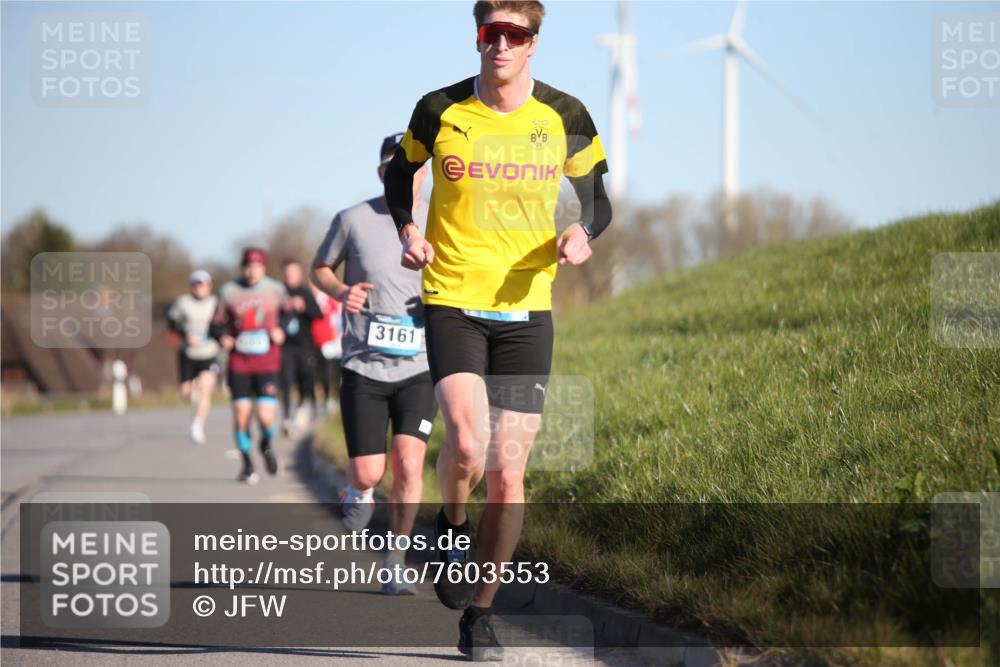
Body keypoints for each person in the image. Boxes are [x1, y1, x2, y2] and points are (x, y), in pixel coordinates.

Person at [383, 0, 612, 658]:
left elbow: (599, 199)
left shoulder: (565, 116)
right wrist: (408, 226)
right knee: (465, 444)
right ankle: (451, 521)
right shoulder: (440, 109)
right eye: (492, 33)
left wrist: (581, 232)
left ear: (534, 43)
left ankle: (480, 612)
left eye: (516, 35)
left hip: (527, 307)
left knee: (509, 472)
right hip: (452, 295)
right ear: (478, 36)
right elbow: (403, 172)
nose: (502, 45)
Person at [312, 132, 437, 595]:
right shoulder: (353, 219)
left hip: (420, 365)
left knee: (409, 464)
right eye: (394, 167)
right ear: (382, 172)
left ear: (425, 172)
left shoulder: (443, 220)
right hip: (364, 363)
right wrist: (341, 291)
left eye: (413, 167)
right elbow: (319, 268)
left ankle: (396, 559)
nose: (404, 174)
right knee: (369, 471)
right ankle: (359, 490)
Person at [214, 248, 289, 484]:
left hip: (268, 361)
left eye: (256, 266)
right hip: (240, 362)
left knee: (266, 417)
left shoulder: (275, 289)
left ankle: (266, 442)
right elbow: (215, 323)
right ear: (242, 267)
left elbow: (289, 315)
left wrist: (282, 329)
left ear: (263, 268)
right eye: (248, 266)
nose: (252, 270)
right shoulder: (228, 291)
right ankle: (247, 462)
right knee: (241, 414)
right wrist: (221, 337)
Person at [166, 269, 220, 445]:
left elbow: (222, 324)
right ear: (191, 286)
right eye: (196, 284)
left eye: (202, 284)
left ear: (209, 286)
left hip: (209, 352)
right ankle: (192, 391)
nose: (199, 287)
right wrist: (184, 335)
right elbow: (172, 322)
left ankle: (197, 425)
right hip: (188, 353)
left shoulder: (215, 303)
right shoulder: (183, 303)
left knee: (206, 387)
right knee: (186, 392)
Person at [279, 259, 323, 435]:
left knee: (305, 378)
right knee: (286, 381)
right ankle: (287, 418)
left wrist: (303, 307)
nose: (290, 276)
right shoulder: (279, 292)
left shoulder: (305, 292)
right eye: (287, 273)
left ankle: (305, 405)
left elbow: (319, 314)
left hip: (305, 346)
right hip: (285, 347)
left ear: (299, 274)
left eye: (293, 273)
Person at [310, 281, 344, 413]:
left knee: (332, 372)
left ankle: (333, 397)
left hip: (330, 344)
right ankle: (324, 398)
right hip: (315, 343)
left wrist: (336, 333)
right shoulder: (310, 300)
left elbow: (337, 317)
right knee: (320, 373)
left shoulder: (329, 301)